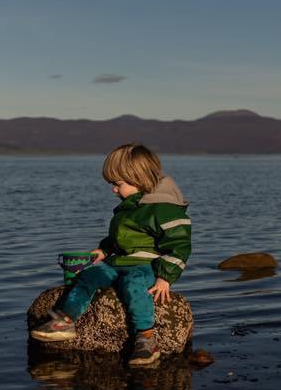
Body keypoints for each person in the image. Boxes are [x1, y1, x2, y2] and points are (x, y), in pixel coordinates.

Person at [31, 143, 192, 366]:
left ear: (140, 179)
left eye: (118, 184)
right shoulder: (129, 208)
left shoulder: (164, 208)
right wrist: (104, 250)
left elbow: (179, 245)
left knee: (134, 285)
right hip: (117, 262)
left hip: (145, 265)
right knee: (89, 276)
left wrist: (165, 277)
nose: (114, 190)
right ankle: (65, 321)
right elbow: (119, 238)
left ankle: (146, 339)